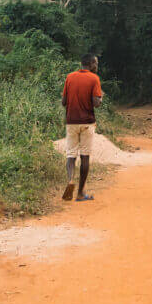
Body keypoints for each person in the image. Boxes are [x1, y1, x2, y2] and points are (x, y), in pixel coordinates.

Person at [61, 53, 103, 201]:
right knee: (85, 156)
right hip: (87, 122)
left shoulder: (70, 77)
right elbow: (96, 103)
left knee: (71, 155)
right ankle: (80, 193)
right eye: (96, 63)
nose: (97, 66)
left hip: (71, 121)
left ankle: (70, 180)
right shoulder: (94, 79)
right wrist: (100, 98)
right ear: (91, 64)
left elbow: (64, 101)